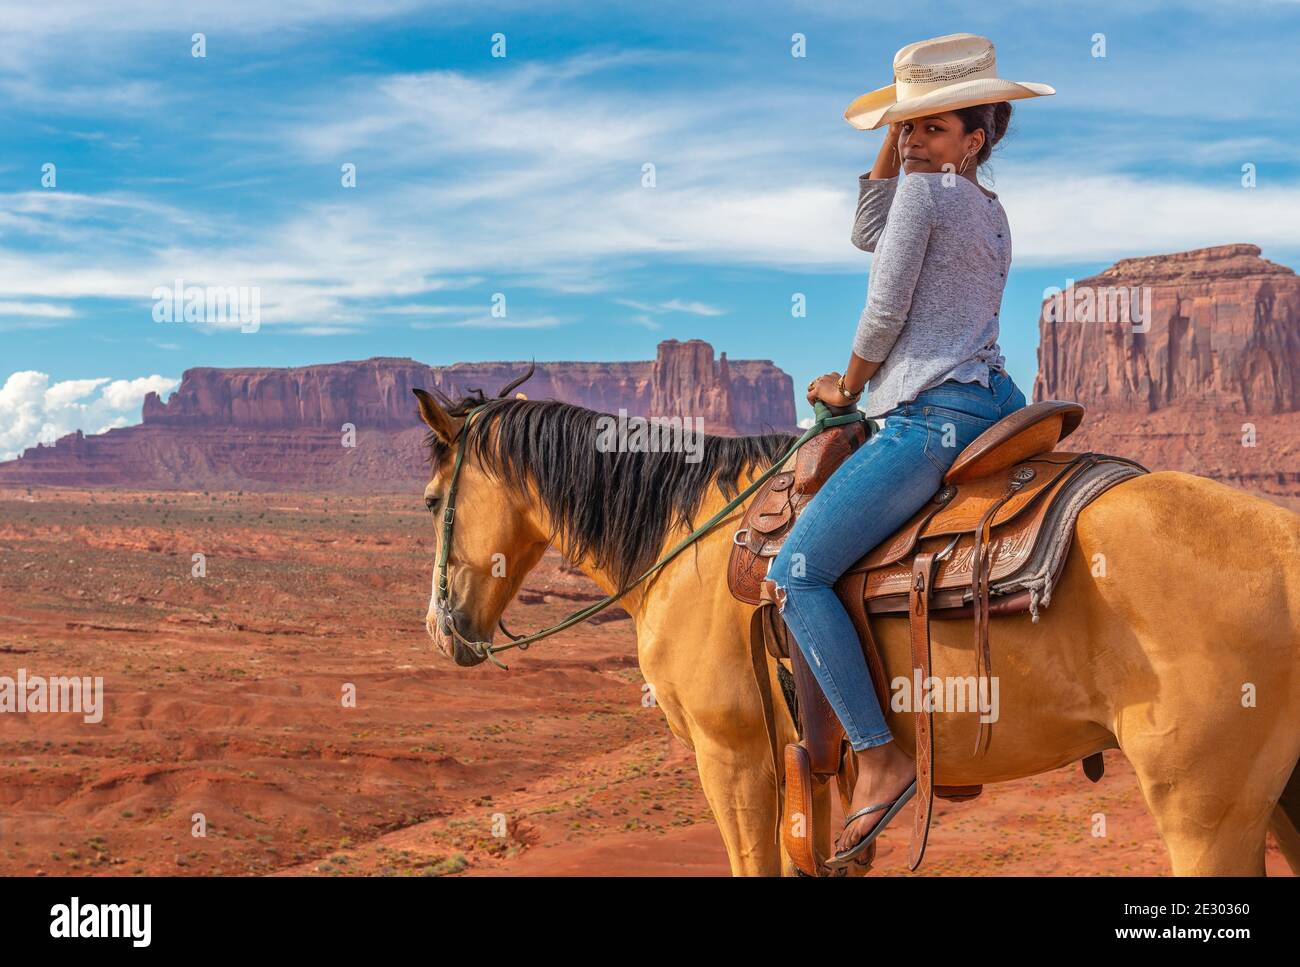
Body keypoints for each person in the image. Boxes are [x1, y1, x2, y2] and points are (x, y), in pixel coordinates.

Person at [766, 33, 1053, 868]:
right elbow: (869, 229)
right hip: (994, 399)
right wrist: (895, 140)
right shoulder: (988, 209)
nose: (916, 141)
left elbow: (884, 310)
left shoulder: (928, 200)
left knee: (798, 572)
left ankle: (880, 754)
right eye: (907, 127)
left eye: (935, 126)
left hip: (930, 416)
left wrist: (845, 388)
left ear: (978, 136)